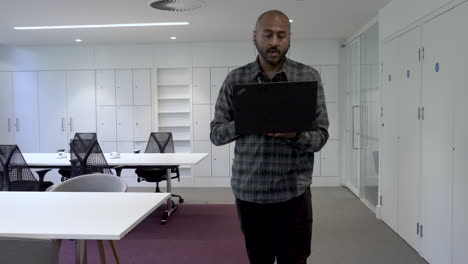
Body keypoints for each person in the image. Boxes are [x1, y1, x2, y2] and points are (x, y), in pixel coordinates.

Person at [210, 10, 329, 264]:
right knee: (259, 259)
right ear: (255, 37)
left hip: (293, 194)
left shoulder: (308, 78)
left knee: (294, 260)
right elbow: (216, 134)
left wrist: (295, 134)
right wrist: (245, 122)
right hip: (249, 193)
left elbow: (320, 137)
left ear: (289, 39)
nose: (274, 42)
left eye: (281, 35)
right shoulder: (236, 79)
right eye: (268, 35)